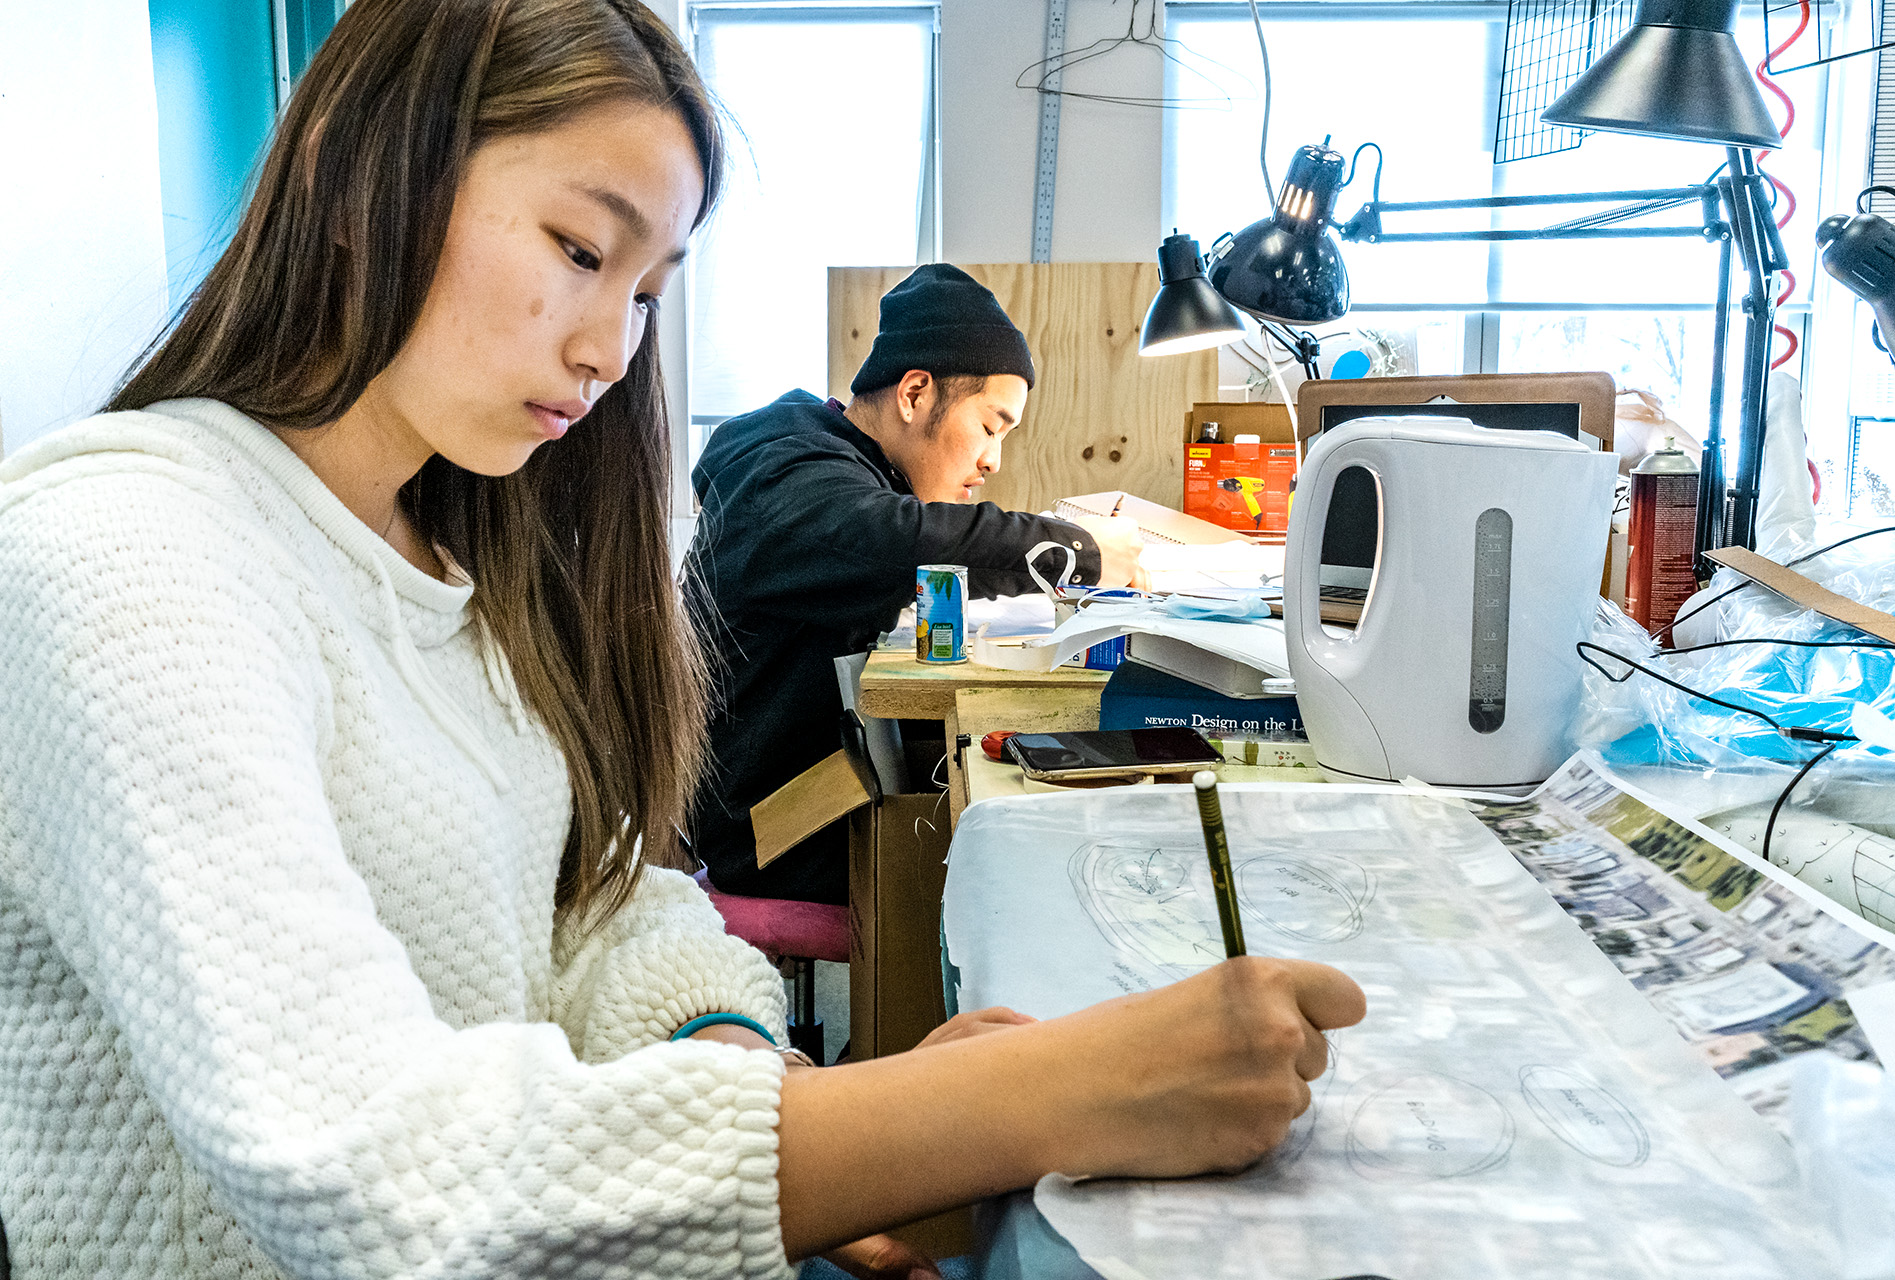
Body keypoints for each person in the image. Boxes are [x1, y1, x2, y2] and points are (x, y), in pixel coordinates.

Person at [0, 2, 1365, 1277]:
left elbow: (606, 904)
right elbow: (372, 1168)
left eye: (649, 289)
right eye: (580, 251)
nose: (611, 347)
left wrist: (778, 1096)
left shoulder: (455, 556)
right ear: (362, 184)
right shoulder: (131, 548)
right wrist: (1014, 1101)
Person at [687, 265, 1150, 903]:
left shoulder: (833, 463)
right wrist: (1082, 552)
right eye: (989, 427)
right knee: (1051, 858)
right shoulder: (787, 475)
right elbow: (903, 541)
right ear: (914, 394)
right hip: (776, 833)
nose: (992, 460)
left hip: (826, 781)